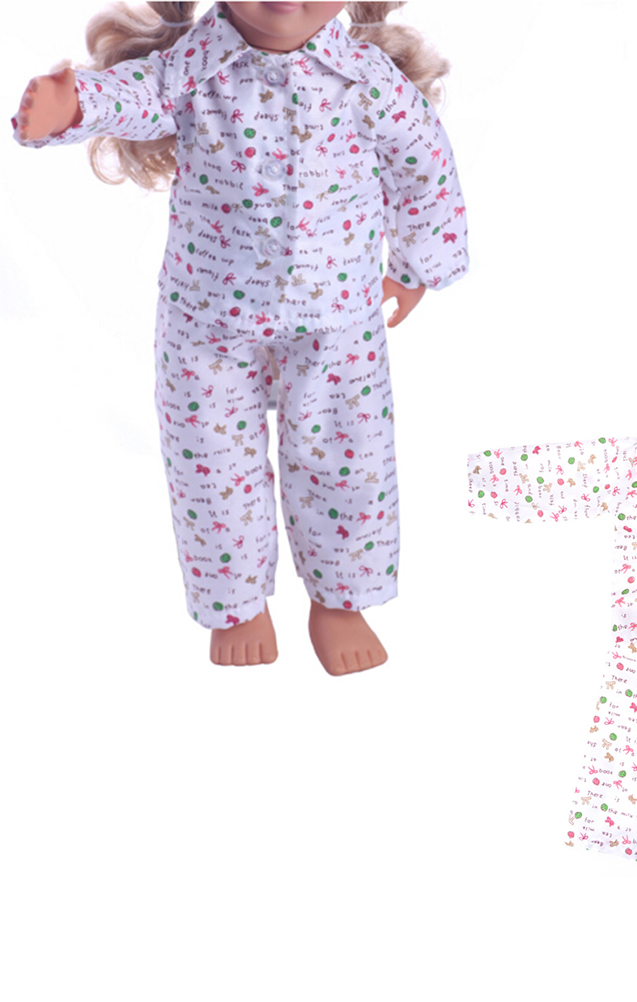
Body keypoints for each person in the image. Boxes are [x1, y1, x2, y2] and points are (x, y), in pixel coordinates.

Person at [13, 1, 468, 674]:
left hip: (337, 316)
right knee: (211, 463)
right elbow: (136, 95)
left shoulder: (366, 79)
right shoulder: (192, 71)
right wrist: (74, 104)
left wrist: (416, 266)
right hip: (208, 319)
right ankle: (236, 603)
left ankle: (342, 600)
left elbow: (424, 164)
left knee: (349, 458)